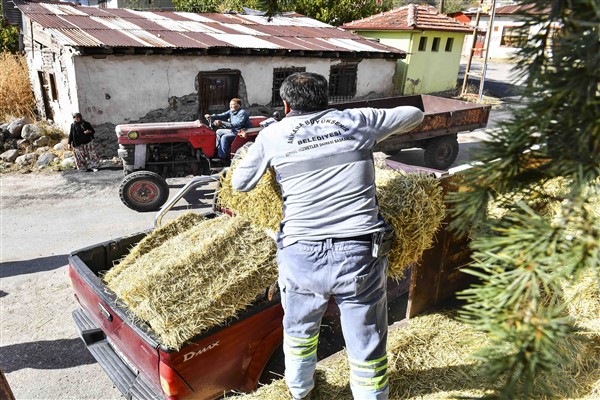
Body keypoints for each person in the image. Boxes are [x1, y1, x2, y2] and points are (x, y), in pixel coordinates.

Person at [231, 72, 424, 400]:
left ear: (286, 104)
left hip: (300, 256)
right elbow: (415, 114)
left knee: (299, 333)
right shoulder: (357, 121)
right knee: (366, 342)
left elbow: (240, 184)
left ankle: (300, 391)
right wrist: (358, 118)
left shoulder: (274, 135)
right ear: (327, 100)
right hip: (359, 255)